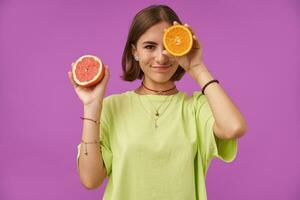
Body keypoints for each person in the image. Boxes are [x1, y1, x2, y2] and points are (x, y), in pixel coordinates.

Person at [67, 4, 247, 200]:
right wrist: (92, 107)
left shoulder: (196, 108)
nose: (161, 57)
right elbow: (90, 179)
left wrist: (197, 67)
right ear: (135, 51)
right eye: (150, 46)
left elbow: (234, 128)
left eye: (169, 47)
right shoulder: (111, 107)